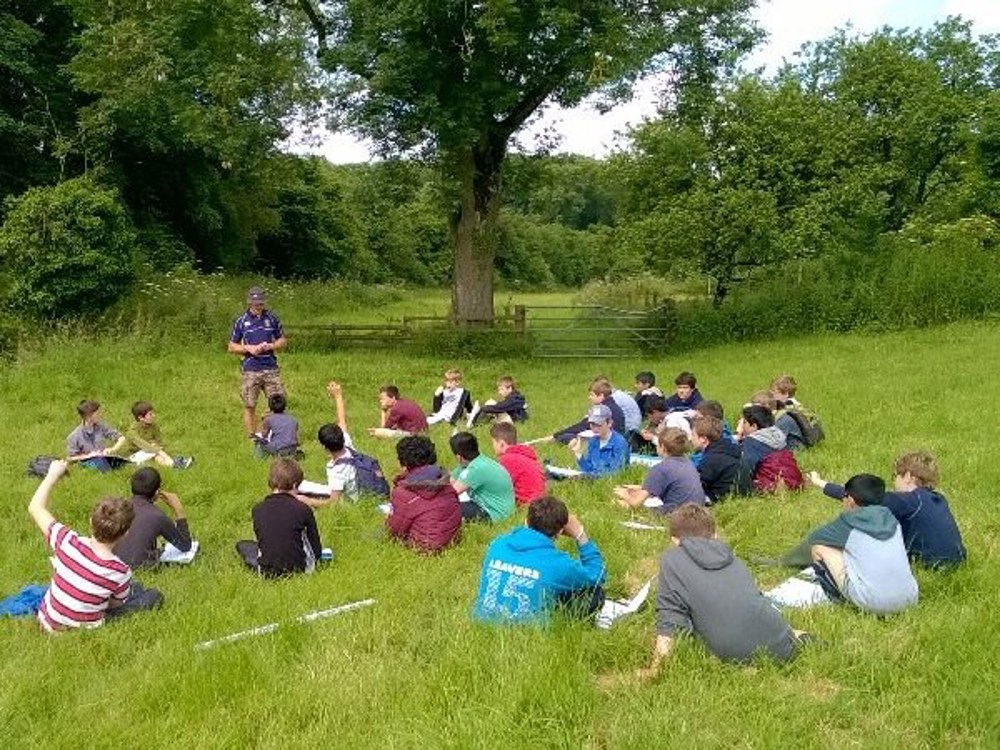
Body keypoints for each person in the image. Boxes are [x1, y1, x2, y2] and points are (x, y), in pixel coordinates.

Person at [631, 504, 802, 677]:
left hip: (732, 653)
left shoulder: (671, 560)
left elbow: (671, 617)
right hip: (780, 641)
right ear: (714, 535)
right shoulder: (733, 557)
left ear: (675, 540)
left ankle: (746, 668)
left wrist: (656, 669)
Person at [29, 460, 162, 632]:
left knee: (130, 588)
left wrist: (52, 475)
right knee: (153, 596)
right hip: (81, 631)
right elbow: (114, 604)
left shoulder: (66, 541)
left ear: (91, 522)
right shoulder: (120, 571)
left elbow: (35, 507)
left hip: (46, 621)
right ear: (125, 533)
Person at [770, 474, 919, 615]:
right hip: (910, 597)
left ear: (851, 501)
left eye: (844, 496)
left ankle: (836, 595)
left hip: (873, 603)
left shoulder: (848, 523)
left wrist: (781, 562)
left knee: (820, 547)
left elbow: (814, 539)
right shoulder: (892, 520)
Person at [809, 451, 966, 568]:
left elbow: (860, 496)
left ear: (908, 476)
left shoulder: (909, 500)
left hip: (930, 564)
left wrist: (820, 483)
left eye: (896, 476)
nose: (894, 482)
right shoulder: (938, 499)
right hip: (958, 559)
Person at [473, 496, 606, 623]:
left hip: (483, 621)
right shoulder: (558, 563)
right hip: (527, 631)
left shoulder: (498, 544)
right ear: (560, 532)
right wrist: (580, 536)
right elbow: (597, 575)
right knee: (595, 594)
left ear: (526, 521)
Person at [235, 458, 323, 577]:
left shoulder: (257, 509)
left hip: (267, 572)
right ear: (294, 485)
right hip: (301, 570)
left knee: (244, 546)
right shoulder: (303, 509)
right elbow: (316, 549)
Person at [228, 286, 287, 439]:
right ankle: (252, 436)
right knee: (249, 404)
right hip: (250, 369)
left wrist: (272, 345)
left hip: (270, 368)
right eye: (255, 303)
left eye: (260, 303)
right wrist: (249, 349)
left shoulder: (272, 319)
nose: (258, 306)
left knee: (277, 402)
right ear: (249, 303)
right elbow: (231, 346)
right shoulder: (241, 321)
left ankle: (268, 433)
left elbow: (282, 340)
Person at [386, 435, 462, 553]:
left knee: (376, 534)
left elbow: (395, 529)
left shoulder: (404, 493)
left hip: (423, 548)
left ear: (403, 463)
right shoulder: (444, 480)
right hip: (452, 541)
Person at [113, 467, 193, 569]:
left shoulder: (118, 506)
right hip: (139, 567)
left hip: (111, 563)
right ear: (156, 492)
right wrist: (179, 510)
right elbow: (185, 545)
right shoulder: (157, 516)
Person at [613, 428, 705, 513]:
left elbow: (635, 503)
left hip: (676, 514)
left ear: (663, 447)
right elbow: (668, 486)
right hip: (697, 511)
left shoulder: (661, 468)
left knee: (623, 505)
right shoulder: (689, 463)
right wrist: (640, 488)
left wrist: (626, 495)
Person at [450, 432, 516, 523]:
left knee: (448, 508)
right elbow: (449, 480)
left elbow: (449, 493)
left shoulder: (476, 469)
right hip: (498, 509)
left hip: (495, 514)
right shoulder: (478, 461)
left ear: (458, 457)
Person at [736, 405, 802, 494]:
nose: (741, 425)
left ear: (754, 426)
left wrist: (742, 491)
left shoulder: (752, 442)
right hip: (792, 480)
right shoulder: (779, 436)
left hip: (771, 485)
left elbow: (745, 468)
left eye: (744, 422)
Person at [114, 401, 194, 469]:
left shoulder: (154, 426)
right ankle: (174, 463)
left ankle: (174, 465)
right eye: (150, 414)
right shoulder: (132, 432)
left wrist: (157, 446)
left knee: (156, 455)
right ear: (141, 418)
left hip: (149, 452)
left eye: (153, 413)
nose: (154, 416)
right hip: (133, 456)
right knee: (155, 453)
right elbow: (145, 446)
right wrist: (161, 452)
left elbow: (159, 441)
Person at [552, 378, 626, 443]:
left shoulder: (602, 409)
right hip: (618, 438)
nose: (589, 397)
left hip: (608, 439)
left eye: (591, 395)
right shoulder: (612, 405)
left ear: (601, 396)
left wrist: (555, 435)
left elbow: (582, 426)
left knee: (565, 437)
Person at [489, 422, 547, 505]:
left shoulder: (508, 459)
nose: (493, 447)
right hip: (540, 502)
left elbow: (497, 488)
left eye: (493, 443)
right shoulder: (526, 457)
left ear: (501, 444)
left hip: (526, 504)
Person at [566, 404, 630, 478]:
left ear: (609, 423)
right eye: (592, 424)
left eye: (599, 425)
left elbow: (615, 473)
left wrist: (586, 476)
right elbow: (589, 468)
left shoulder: (619, 443)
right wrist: (578, 454)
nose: (595, 429)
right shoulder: (593, 441)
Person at [65, 399, 129, 472]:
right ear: (89, 417)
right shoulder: (74, 436)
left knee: (124, 464)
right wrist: (88, 456)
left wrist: (113, 449)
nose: (100, 415)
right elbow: (70, 458)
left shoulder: (101, 426)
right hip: (87, 463)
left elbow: (121, 438)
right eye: (97, 413)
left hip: (103, 458)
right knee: (101, 465)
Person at [690, 415, 741, 503]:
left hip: (719, 500)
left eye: (693, 435)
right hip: (737, 497)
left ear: (703, 439)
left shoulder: (711, 460)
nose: (690, 439)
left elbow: (697, 486)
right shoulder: (730, 449)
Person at [253, 393, 301, 459]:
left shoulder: (269, 419)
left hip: (279, 448)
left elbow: (264, 435)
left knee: (260, 444)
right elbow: (296, 437)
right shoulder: (293, 419)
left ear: (270, 407)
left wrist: (256, 436)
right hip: (293, 448)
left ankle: (258, 460)